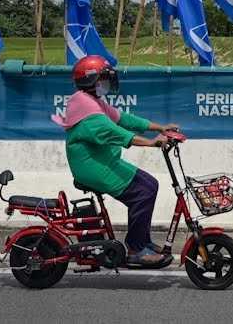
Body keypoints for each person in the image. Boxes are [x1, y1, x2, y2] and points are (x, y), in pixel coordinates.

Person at [54, 55, 179, 266]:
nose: (107, 82)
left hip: (103, 162)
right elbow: (118, 133)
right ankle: (136, 250)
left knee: (150, 185)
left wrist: (159, 127)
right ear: (90, 80)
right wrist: (152, 143)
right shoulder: (88, 112)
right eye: (103, 78)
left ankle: (142, 241)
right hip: (92, 167)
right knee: (142, 193)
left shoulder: (91, 101)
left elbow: (123, 119)